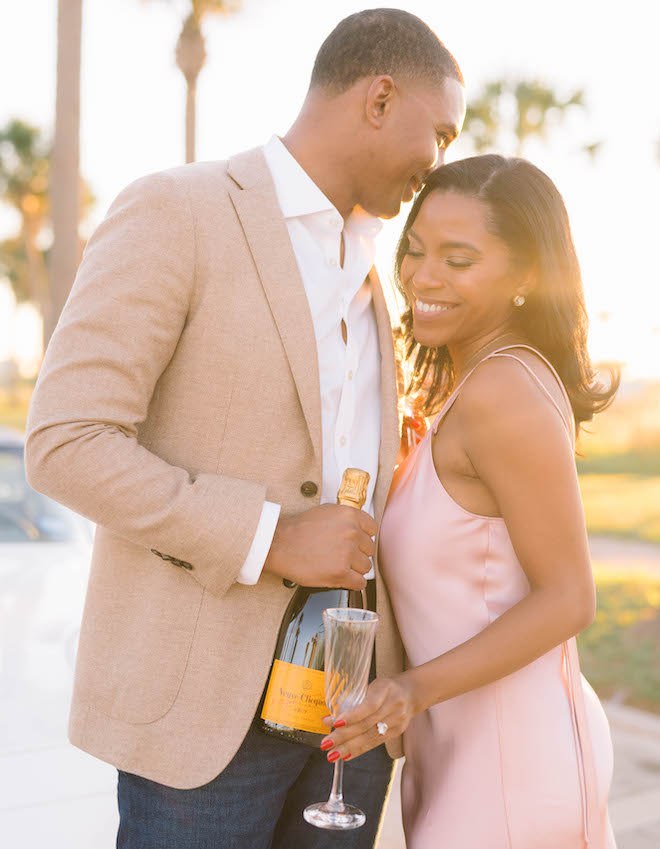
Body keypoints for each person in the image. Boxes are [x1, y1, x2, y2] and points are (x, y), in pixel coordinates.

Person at [24, 9, 466, 849]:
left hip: (348, 726)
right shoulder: (177, 210)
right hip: (200, 724)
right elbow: (67, 441)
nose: (436, 162)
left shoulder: (375, 275)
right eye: (437, 132)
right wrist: (272, 537)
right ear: (380, 98)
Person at [319, 155, 619, 848]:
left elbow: (570, 596)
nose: (424, 276)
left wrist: (411, 690)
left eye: (459, 259)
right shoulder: (470, 385)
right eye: (416, 251)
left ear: (525, 277)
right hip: (459, 751)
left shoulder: (503, 392)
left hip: (511, 763)